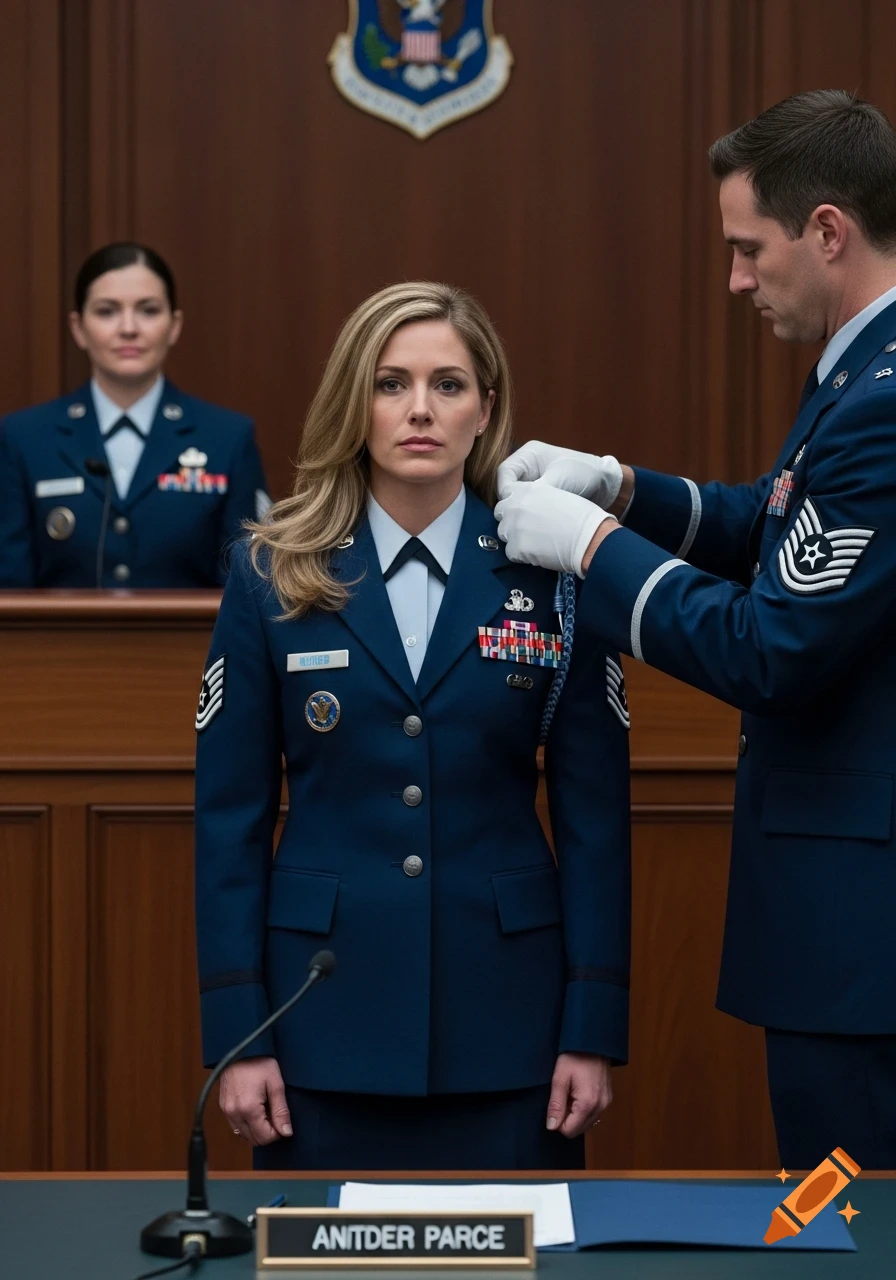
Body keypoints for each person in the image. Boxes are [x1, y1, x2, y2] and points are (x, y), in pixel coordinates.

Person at [495, 90, 896, 1170]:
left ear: (824, 231)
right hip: (848, 927)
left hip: (862, 941)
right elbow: (770, 517)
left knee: (846, 1216)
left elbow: (771, 647)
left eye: (743, 248)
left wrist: (588, 549)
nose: (732, 280)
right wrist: (621, 487)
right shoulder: (860, 372)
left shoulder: (882, 398)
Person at [194, 281, 631, 1170]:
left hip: (512, 1024)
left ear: (487, 409)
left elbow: (597, 823)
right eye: (391, 383)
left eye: (449, 384)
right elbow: (229, 824)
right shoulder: (272, 571)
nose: (419, 410)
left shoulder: (556, 572)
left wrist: (592, 1023)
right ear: (354, 402)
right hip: (317, 1020)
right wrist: (240, 1032)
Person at [0, 242, 269, 588]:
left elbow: (249, 586)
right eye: (107, 311)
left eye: (148, 310)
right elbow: (8, 588)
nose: (128, 328)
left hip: (193, 643)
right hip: (58, 644)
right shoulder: (23, 438)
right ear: (78, 328)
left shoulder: (228, 439)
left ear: (174, 325)